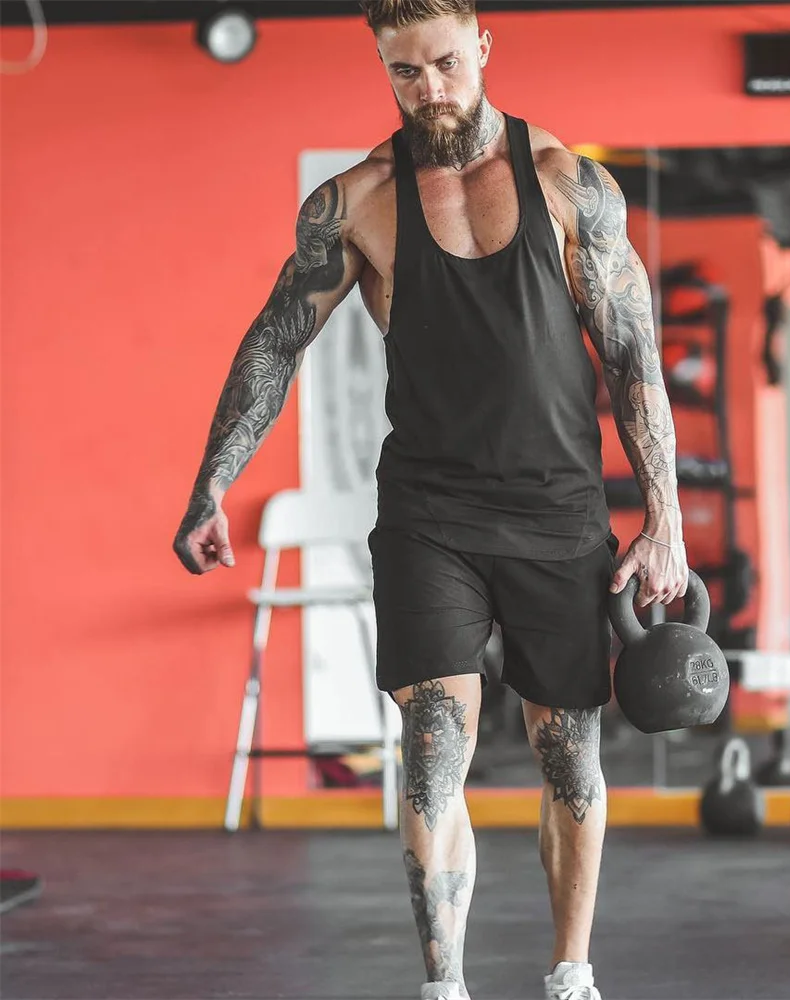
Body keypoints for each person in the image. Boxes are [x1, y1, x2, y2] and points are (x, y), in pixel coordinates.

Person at [172, 2, 688, 997]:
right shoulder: (356, 201)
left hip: (558, 513)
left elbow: (633, 357)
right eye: (404, 72)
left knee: (568, 754)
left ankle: (571, 973)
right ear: (383, 66)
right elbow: (276, 341)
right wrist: (212, 483)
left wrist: (664, 520)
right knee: (433, 745)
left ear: (483, 48)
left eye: (446, 63)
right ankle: (443, 985)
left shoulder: (569, 185)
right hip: (428, 516)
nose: (430, 89)